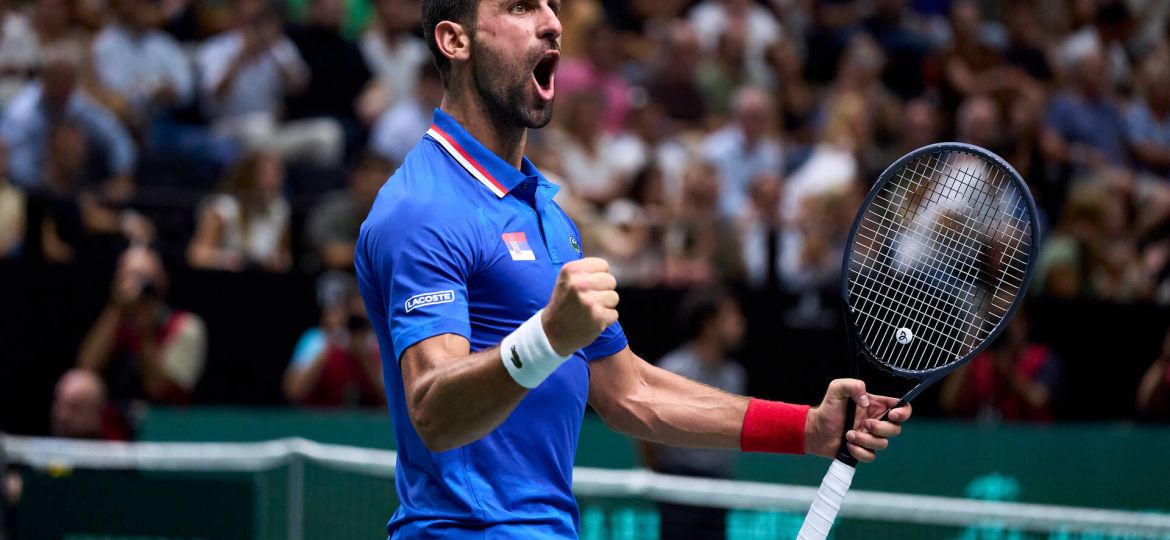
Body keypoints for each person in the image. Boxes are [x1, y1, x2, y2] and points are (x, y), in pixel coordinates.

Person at [354, 2, 912, 537]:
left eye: (552, 6)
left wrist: (805, 429)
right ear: (455, 41)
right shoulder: (421, 209)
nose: (553, 24)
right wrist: (547, 339)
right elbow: (432, 409)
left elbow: (631, 391)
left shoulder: (543, 211)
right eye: (521, 7)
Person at [641, 288, 747, 540]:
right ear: (710, 324)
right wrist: (658, 474)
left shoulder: (735, 376)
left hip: (719, 488)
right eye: (732, 316)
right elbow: (646, 428)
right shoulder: (673, 370)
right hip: (678, 486)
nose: (740, 324)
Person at [77, 245, 207, 406]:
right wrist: (116, 307)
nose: (134, 286)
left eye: (142, 277)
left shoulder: (185, 326)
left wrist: (144, 327)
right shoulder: (114, 319)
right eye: (127, 277)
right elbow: (86, 369)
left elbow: (158, 390)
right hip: (113, 418)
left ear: (162, 281)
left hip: (165, 420)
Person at [940, 315, 1060, 422]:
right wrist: (969, 351)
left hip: (1032, 439)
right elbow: (948, 401)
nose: (1007, 328)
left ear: (1025, 324)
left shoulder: (1043, 357)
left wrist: (1008, 373)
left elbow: (1038, 400)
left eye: (1013, 321)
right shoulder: (980, 361)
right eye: (1000, 321)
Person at [187, 151, 292, 273]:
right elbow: (197, 255)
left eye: (277, 174)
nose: (274, 181)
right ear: (249, 176)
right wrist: (222, 259)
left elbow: (284, 254)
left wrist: (279, 260)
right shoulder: (223, 208)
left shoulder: (279, 209)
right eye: (266, 175)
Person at [284, 283, 384, 408]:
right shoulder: (317, 340)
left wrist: (365, 359)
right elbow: (293, 392)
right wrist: (330, 344)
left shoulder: (378, 345)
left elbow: (389, 399)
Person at [305, 153, 394, 271]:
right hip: (335, 275)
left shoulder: (398, 215)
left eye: (382, 184)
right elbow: (332, 255)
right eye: (371, 182)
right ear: (356, 179)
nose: (375, 190)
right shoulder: (333, 208)